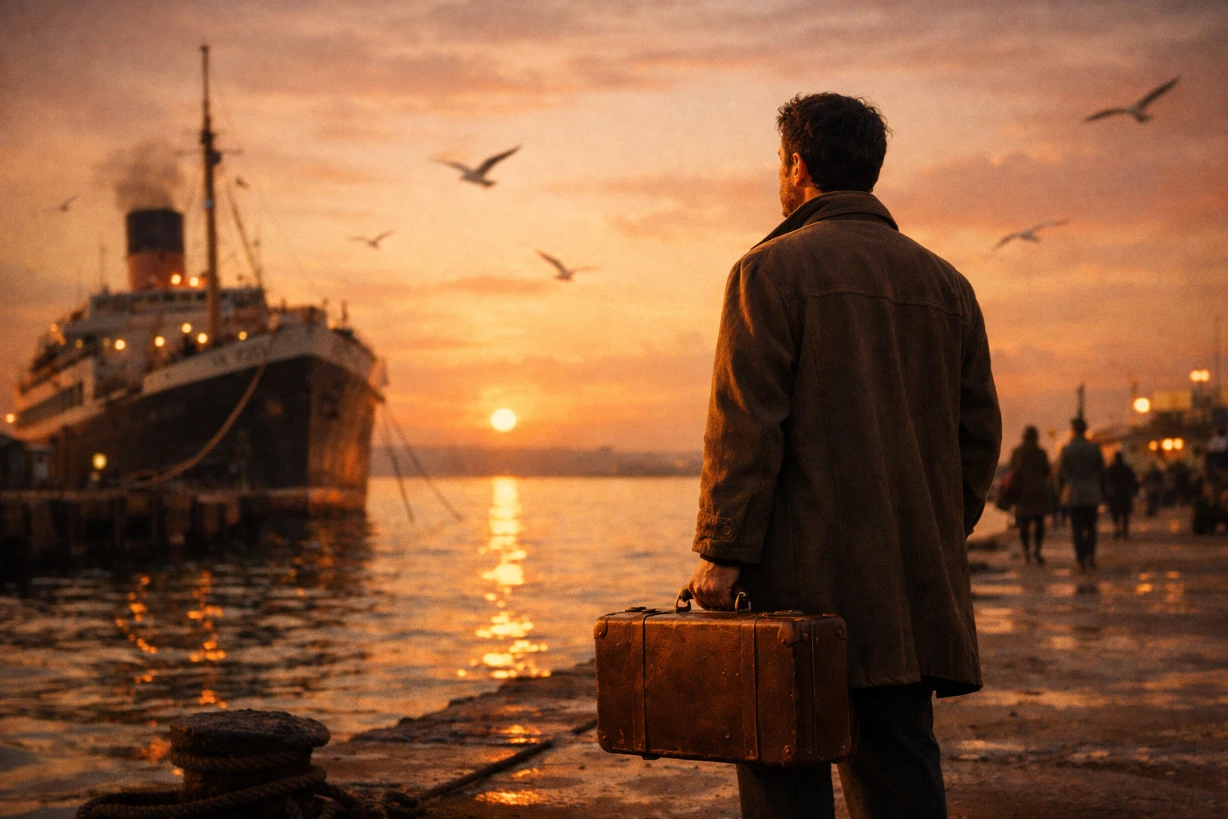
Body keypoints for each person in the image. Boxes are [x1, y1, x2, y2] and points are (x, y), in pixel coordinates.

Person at [685, 93, 1001, 819]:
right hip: (907, 587)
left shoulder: (767, 272)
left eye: (779, 160)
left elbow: (747, 425)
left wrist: (722, 552)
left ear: (797, 165)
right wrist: (934, 529)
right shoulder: (948, 285)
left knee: (780, 759)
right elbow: (979, 434)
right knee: (900, 764)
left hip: (799, 585)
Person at [1057, 417, 1106, 570]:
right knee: (1091, 526)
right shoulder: (1094, 449)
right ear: (1085, 430)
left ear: (1073, 431)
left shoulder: (1067, 450)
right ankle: (1091, 556)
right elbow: (1102, 472)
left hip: (1073, 494)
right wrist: (1103, 491)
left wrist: (1060, 492)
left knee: (1076, 528)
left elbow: (1060, 474)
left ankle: (1080, 559)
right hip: (1092, 493)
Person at [1007, 426, 1051, 564]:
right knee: (1039, 524)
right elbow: (1047, 471)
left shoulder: (1017, 452)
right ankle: (1037, 551)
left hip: (1022, 493)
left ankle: (1026, 552)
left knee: (1023, 525)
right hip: (1038, 492)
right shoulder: (1041, 453)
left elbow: (1011, 470)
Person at [1106, 451, 1139, 540]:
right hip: (1124, 494)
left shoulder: (1111, 468)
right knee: (1125, 515)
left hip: (1115, 494)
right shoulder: (1127, 468)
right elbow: (1133, 481)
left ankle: (1118, 530)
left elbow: (1107, 481)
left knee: (1116, 515)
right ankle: (1124, 532)